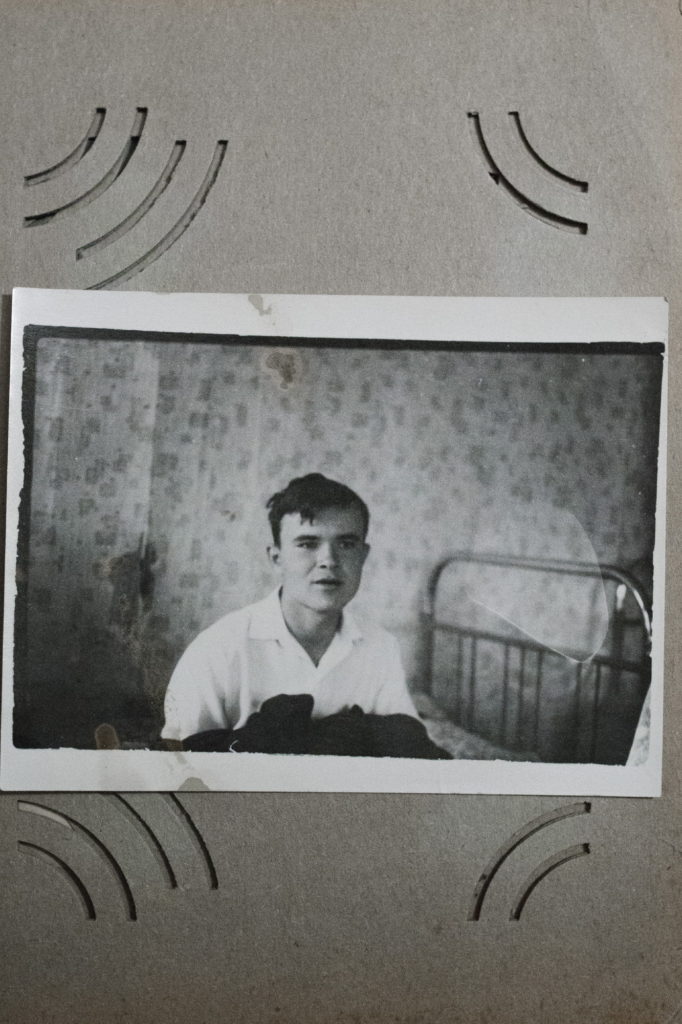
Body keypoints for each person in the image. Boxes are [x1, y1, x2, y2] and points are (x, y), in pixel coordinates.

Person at [161, 473, 419, 745]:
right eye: (307, 544)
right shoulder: (218, 649)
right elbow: (181, 759)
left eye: (346, 544)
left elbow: (407, 751)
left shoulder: (381, 647)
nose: (328, 560)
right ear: (277, 558)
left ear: (363, 556)